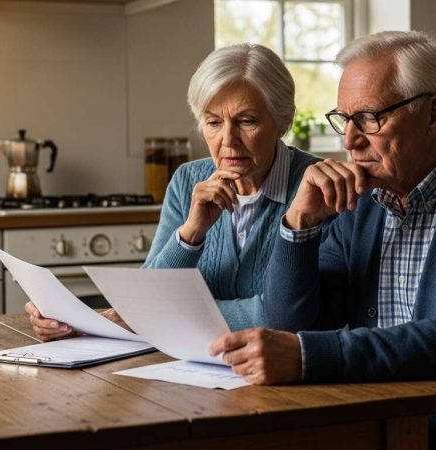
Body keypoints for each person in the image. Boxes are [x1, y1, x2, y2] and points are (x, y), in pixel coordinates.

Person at [209, 31, 436, 449]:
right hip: (386, 429)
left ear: (434, 114)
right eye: (344, 119)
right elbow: (292, 325)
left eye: (370, 118)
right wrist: (299, 223)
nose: (349, 140)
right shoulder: (366, 200)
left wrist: (306, 356)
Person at [27, 43, 323, 341]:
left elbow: (287, 315)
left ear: (284, 120)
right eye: (213, 122)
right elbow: (145, 298)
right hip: (190, 368)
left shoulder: (318, 188)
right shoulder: (187, 180)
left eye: (247, 121)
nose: (228, 140)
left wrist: (157, 317)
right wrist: (191, 234)